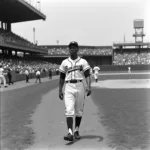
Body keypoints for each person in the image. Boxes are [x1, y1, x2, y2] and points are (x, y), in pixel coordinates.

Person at [59, 41, 91, 142]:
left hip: (80, 85)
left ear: (77, 49)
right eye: (70, 47)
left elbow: (87, 75)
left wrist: (89, 86)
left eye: (74, 47)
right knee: (69, 109)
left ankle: (76, 130)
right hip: (68, 86)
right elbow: (62, 77)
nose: (71, 49)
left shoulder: (83, 61)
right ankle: (70, 133)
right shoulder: (65, 62)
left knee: (79, 111)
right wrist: (60, 90)